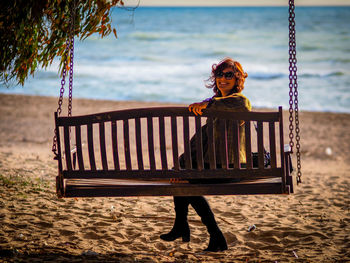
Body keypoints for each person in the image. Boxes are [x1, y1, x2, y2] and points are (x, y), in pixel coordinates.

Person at [160, 57, 251, 252]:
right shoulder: (214, 105)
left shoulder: (239, 101)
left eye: (228, 75)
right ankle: (188, 227)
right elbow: (199, 143)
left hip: (229, 169)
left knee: (186, 182)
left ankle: (204, 232)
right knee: (183, 179)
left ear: (237, 79)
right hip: (215, 167)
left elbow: (238, 104)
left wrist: (206, 104)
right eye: (220, 74)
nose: (223, 79)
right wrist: (181, 167)